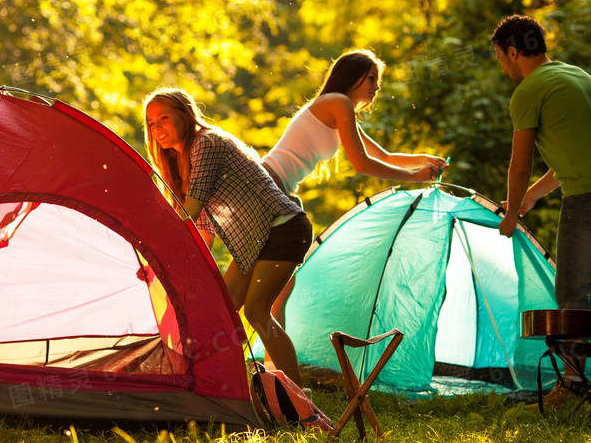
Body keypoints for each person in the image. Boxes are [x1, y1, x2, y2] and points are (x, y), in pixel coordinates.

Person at [491, 14, 591, 407]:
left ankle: (572, 386)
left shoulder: (528, 91)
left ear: (515, 51)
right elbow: (568, 158)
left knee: (572, 293)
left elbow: (519, 165)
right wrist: (529, 199)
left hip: (586, 199)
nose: (503, 67)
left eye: (502, 58)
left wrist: (509, 217)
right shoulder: (578, 77)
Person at [261, 49, 448, 324]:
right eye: (372, 78)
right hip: (270, 184)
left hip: (277, 189)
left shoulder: (337, 108)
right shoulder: (337, 102)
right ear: (353, 76)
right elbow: (362, 164)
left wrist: (425, 160)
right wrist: (416, 178)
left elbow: (382, 156)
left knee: (279, 289)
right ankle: (250, 357)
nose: (377, 86)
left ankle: (270, 364)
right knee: (270, 287)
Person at [144, 88, 312, 388]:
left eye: (164, 118)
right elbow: (200, 237)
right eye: (151, 123)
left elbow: (191, 210)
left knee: (257, 311)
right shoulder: (184, 164)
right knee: (222, 308)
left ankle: (299, 395)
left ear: (185, 115)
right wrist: (165, 268)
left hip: (283, 228)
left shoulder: (205, 144)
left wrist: (155, 251)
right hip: (258, 241)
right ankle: (209, 384)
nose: (157, 128)